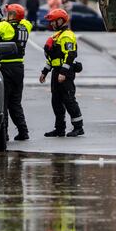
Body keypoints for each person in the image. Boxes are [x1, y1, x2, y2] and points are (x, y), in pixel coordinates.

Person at [0, 4, 32, 141]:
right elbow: (24, 21)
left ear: (14, 16)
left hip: (6, 68)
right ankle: (23, 131)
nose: (7, 16)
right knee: (15, 102)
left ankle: (3, 134)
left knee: (3, 102)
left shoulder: (6, 28)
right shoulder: (26, 26)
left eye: (9, 14)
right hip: (19, 68)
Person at [39, 8, 84, 137]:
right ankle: (59, 129)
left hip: (65, 72)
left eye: (54, 22)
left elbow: (70, 55)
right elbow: (53, 58)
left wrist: (63, 72)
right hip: (56, 72)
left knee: (69, 100)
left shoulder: (67, 36)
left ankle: (78, 127)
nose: (52, 24)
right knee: (56, 101)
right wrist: (45, 72)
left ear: (61, 20)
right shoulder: (56, 36)